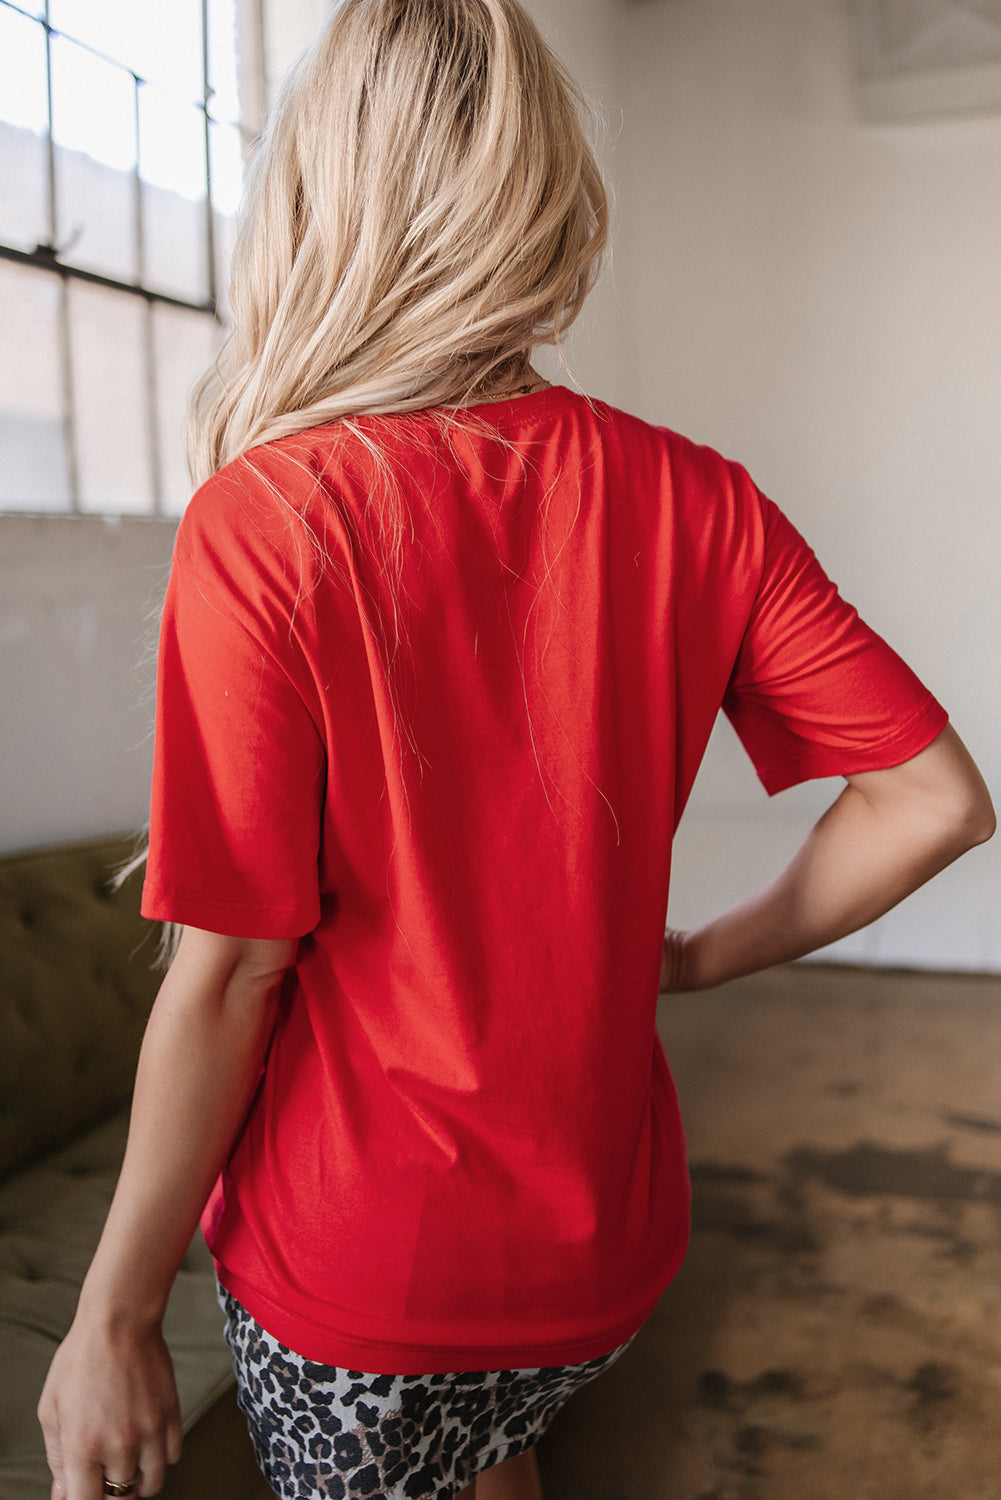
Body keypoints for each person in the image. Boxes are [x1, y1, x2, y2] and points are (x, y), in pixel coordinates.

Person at [37, 1, 995, 1498]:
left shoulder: (268, 518)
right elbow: (933, 800)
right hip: (599, 1253)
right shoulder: (696, 496)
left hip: (364, 1272)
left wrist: (111, 1317)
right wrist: (699, 959)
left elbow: (232, 973)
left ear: (320, 199)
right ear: (544, 197)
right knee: (495, 1457)